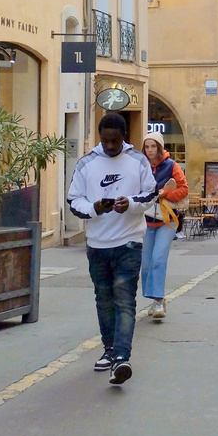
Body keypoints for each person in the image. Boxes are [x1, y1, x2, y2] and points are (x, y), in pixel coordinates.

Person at [68, 113, 156, 385]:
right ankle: (109, 349)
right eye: (104, 140)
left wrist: (128, 203)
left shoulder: (138, 161)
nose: (109, 145)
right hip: (97, 244)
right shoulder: (87, 164)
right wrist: (94, 208)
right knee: (103, 300)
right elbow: (74, 200)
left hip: (129, 242)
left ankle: (121, 357)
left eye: (114, 140)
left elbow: (151, 195)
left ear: (124, 136)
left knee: (124, 300)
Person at [140, 134, 189, 319]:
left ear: (159, 147)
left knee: (159, 259)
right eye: (147, 147)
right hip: (146, 220)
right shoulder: (141, 166)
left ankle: (158, 300)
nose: (150, 150)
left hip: (167, 220)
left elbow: (183, 189)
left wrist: (165, 193)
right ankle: (153, 297)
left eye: (153, 146)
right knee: (145, 265)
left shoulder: (171, 166)